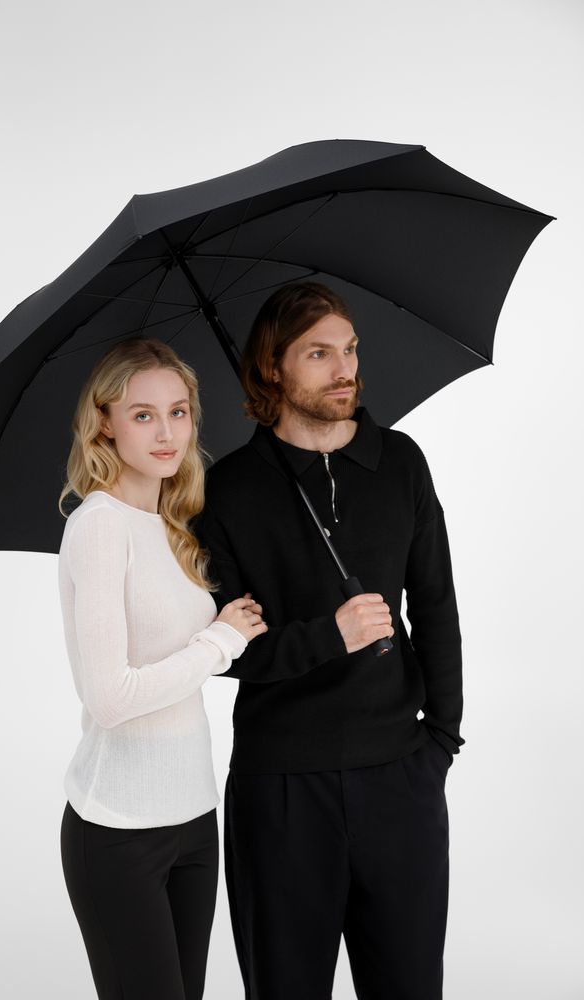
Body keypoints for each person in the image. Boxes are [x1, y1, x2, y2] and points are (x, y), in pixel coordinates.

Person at [195, 281, 464, 1000]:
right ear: (272, 367)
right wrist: (328, 636)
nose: (344, 369)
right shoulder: (226, 491)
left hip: (400, 777)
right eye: (318, 354)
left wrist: (440, 742)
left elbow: (436, 606)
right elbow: (224, 649)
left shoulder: (400, 462)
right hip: (279, 791)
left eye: (349, 349)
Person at [56, 337, 266, 1000]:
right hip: (118, 828)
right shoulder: (99, 526)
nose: (166, 432)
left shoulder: (175, 528)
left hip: (194, 815)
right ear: (105, 423)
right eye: (142, 414)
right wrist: (219, 642)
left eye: (178, 412)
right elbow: (110, 698)